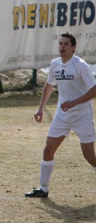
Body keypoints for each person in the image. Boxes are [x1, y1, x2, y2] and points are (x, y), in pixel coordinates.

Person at [25, 33, 96, 198]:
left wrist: (75, 102)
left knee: (89, 155)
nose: (62, 47)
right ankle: (43, 189)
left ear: (73, 47)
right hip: (62, 115)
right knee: (48, 149)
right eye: (60, 44)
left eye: (66, 44)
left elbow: (94, 89)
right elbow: (49, 85)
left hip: (82, 115)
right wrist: (40, 109)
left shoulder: (80, 65)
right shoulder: (55, 64)